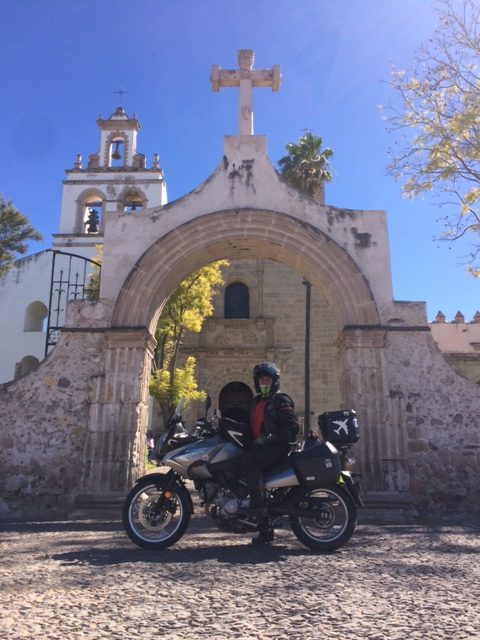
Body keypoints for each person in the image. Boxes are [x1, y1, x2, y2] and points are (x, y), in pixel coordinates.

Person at [240, 362, 300, 545]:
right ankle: (265, 530)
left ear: (274, 382)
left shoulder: (281, 401)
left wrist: (269, 438)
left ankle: (258, 508)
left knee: (249, 461)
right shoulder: (256, 401)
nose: (264, 383)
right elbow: (249, 425)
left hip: (276, 448)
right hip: (261, 447)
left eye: (267, 380)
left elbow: (292, 427)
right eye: (261, 380)